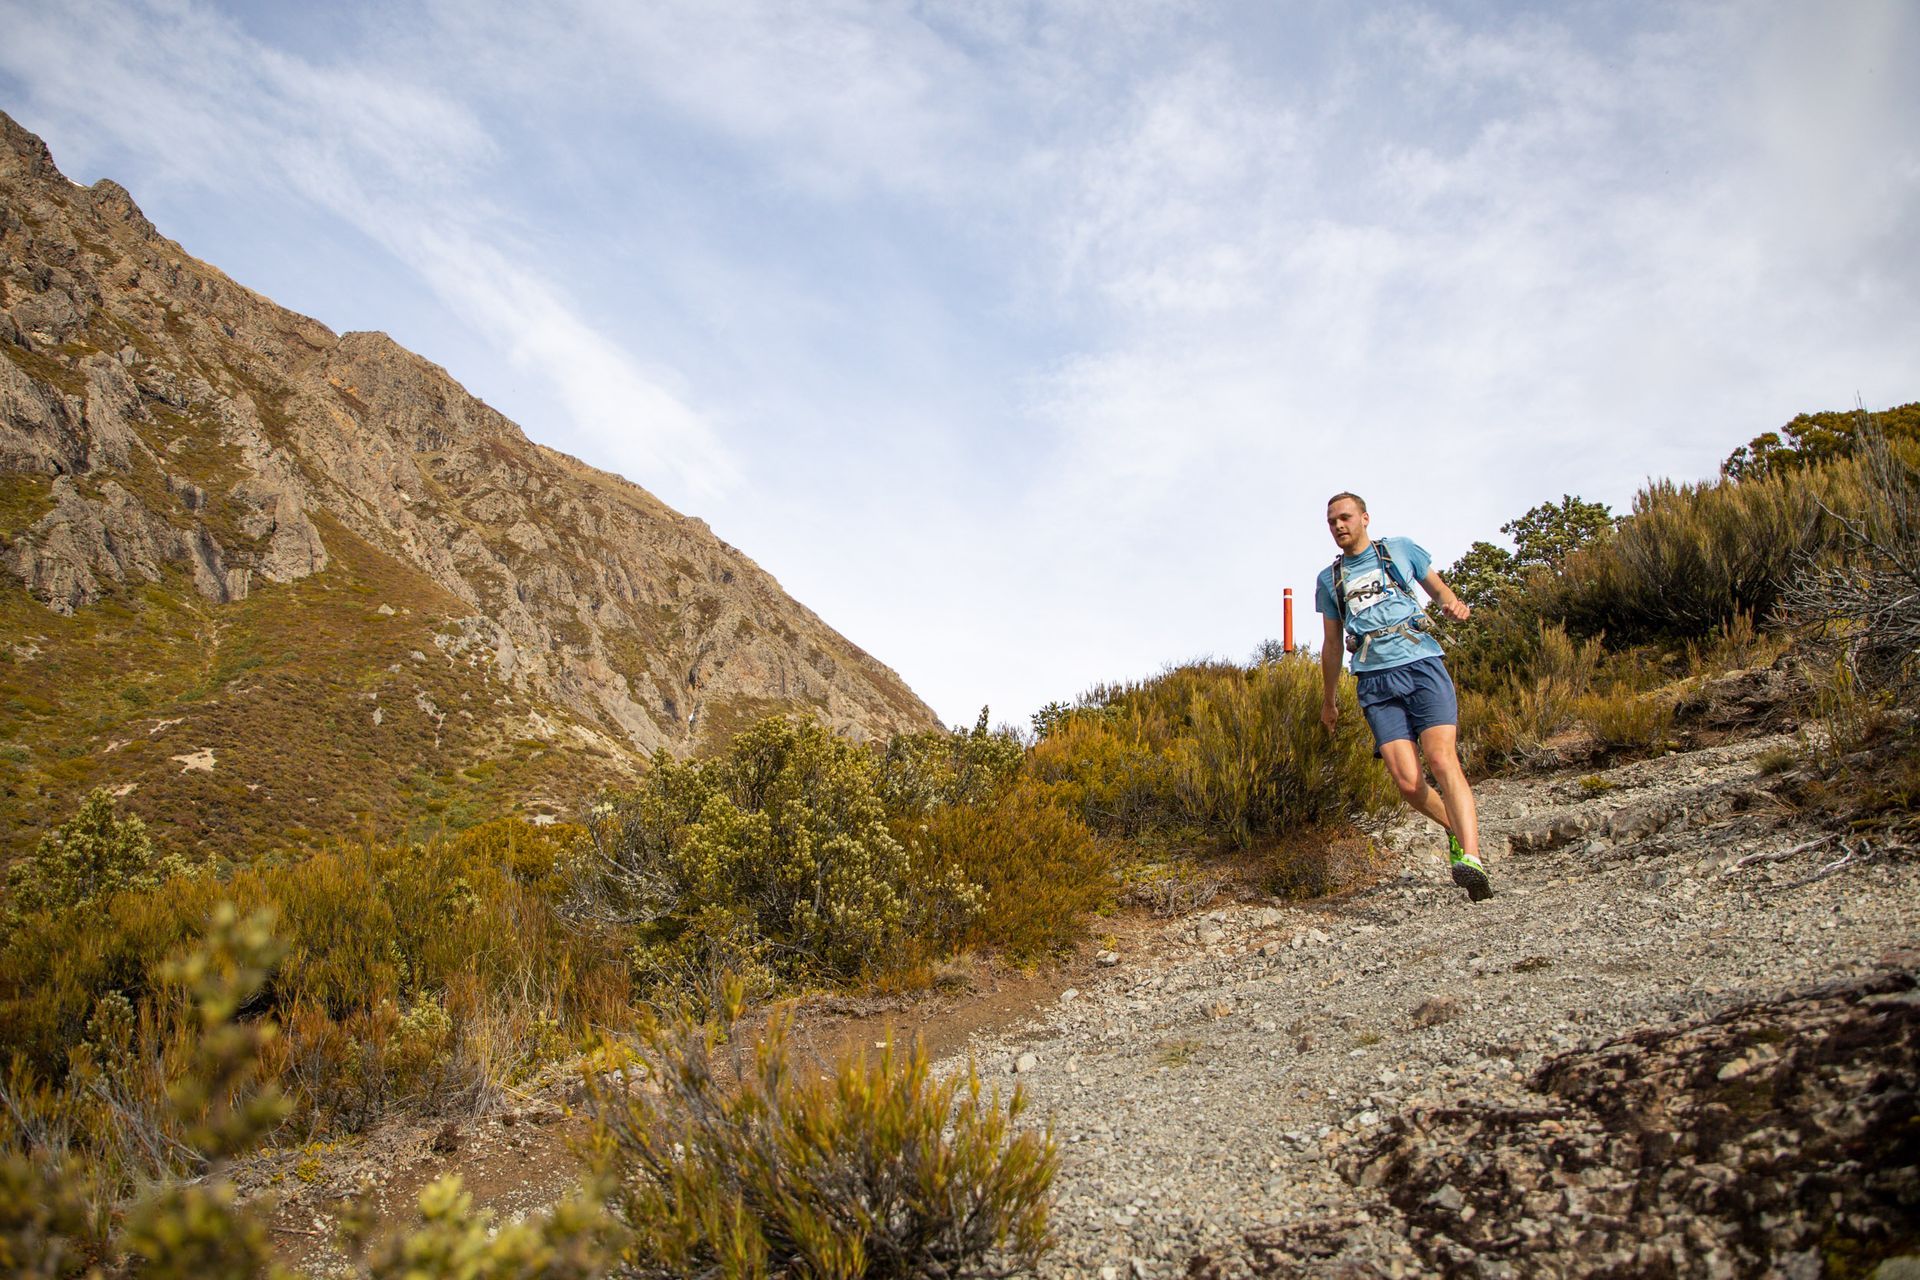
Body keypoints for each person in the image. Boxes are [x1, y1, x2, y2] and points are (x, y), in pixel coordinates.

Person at [1315, 491, 1491, 901]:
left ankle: (1472, 859)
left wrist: (1453, 605)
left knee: (1441, 758)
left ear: (1364, 518)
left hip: (1421, 664)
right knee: (1409, 784)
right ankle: (1454, 827)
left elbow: (1440, 592)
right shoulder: (1330, 580)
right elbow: (1331, 643)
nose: (1339, 526)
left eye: (1345, 517)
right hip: (1374, 679)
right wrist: (1329, 700)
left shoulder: (1400, 550)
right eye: (1331, 522)